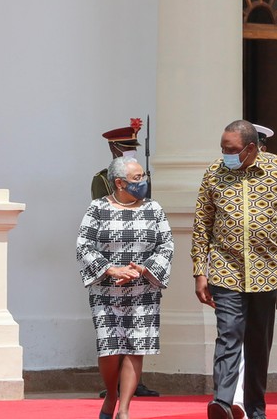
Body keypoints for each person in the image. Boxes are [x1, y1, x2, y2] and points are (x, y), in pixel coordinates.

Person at [191, 120, 277, 419]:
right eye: (222, 149)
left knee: (258, 343)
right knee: (228, 334)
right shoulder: (214, 174)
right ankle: (221, 402)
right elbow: (202, 225)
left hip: (266, 271)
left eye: (231, 150)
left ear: (250, 148)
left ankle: (256, 410)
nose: (225, 155)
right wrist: (199, 271)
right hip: (225, 269)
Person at [77, 156, 174, 419]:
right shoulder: (97, 208)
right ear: (119, 183)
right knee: (109, 347)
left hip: (143, 288)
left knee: (135, 347)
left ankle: (125, 409)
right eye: (137, 178)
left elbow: (166, 246)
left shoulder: (154, 209)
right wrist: (112, 269)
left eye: (143, 177)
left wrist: (142, 269)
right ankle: (111, 393)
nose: (143, 182)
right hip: (106, 289)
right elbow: (84, 246)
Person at [92, 120, 160, 398]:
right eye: (125, 148)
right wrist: (113, 268)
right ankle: (113, 389)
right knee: (112, 336)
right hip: (113, 263)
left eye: (132, 148)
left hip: (139, 266)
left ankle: (133, 386)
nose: (129, 152)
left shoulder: (144, 178)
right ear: (113, 147)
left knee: (137, 336)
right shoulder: (101, 179)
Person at [92, 118, 151, 200]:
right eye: (127, 148)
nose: (133, 151)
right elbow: (101, 210)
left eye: (134, 148)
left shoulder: (141, 176)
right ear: (113, 148)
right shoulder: (102, 179)